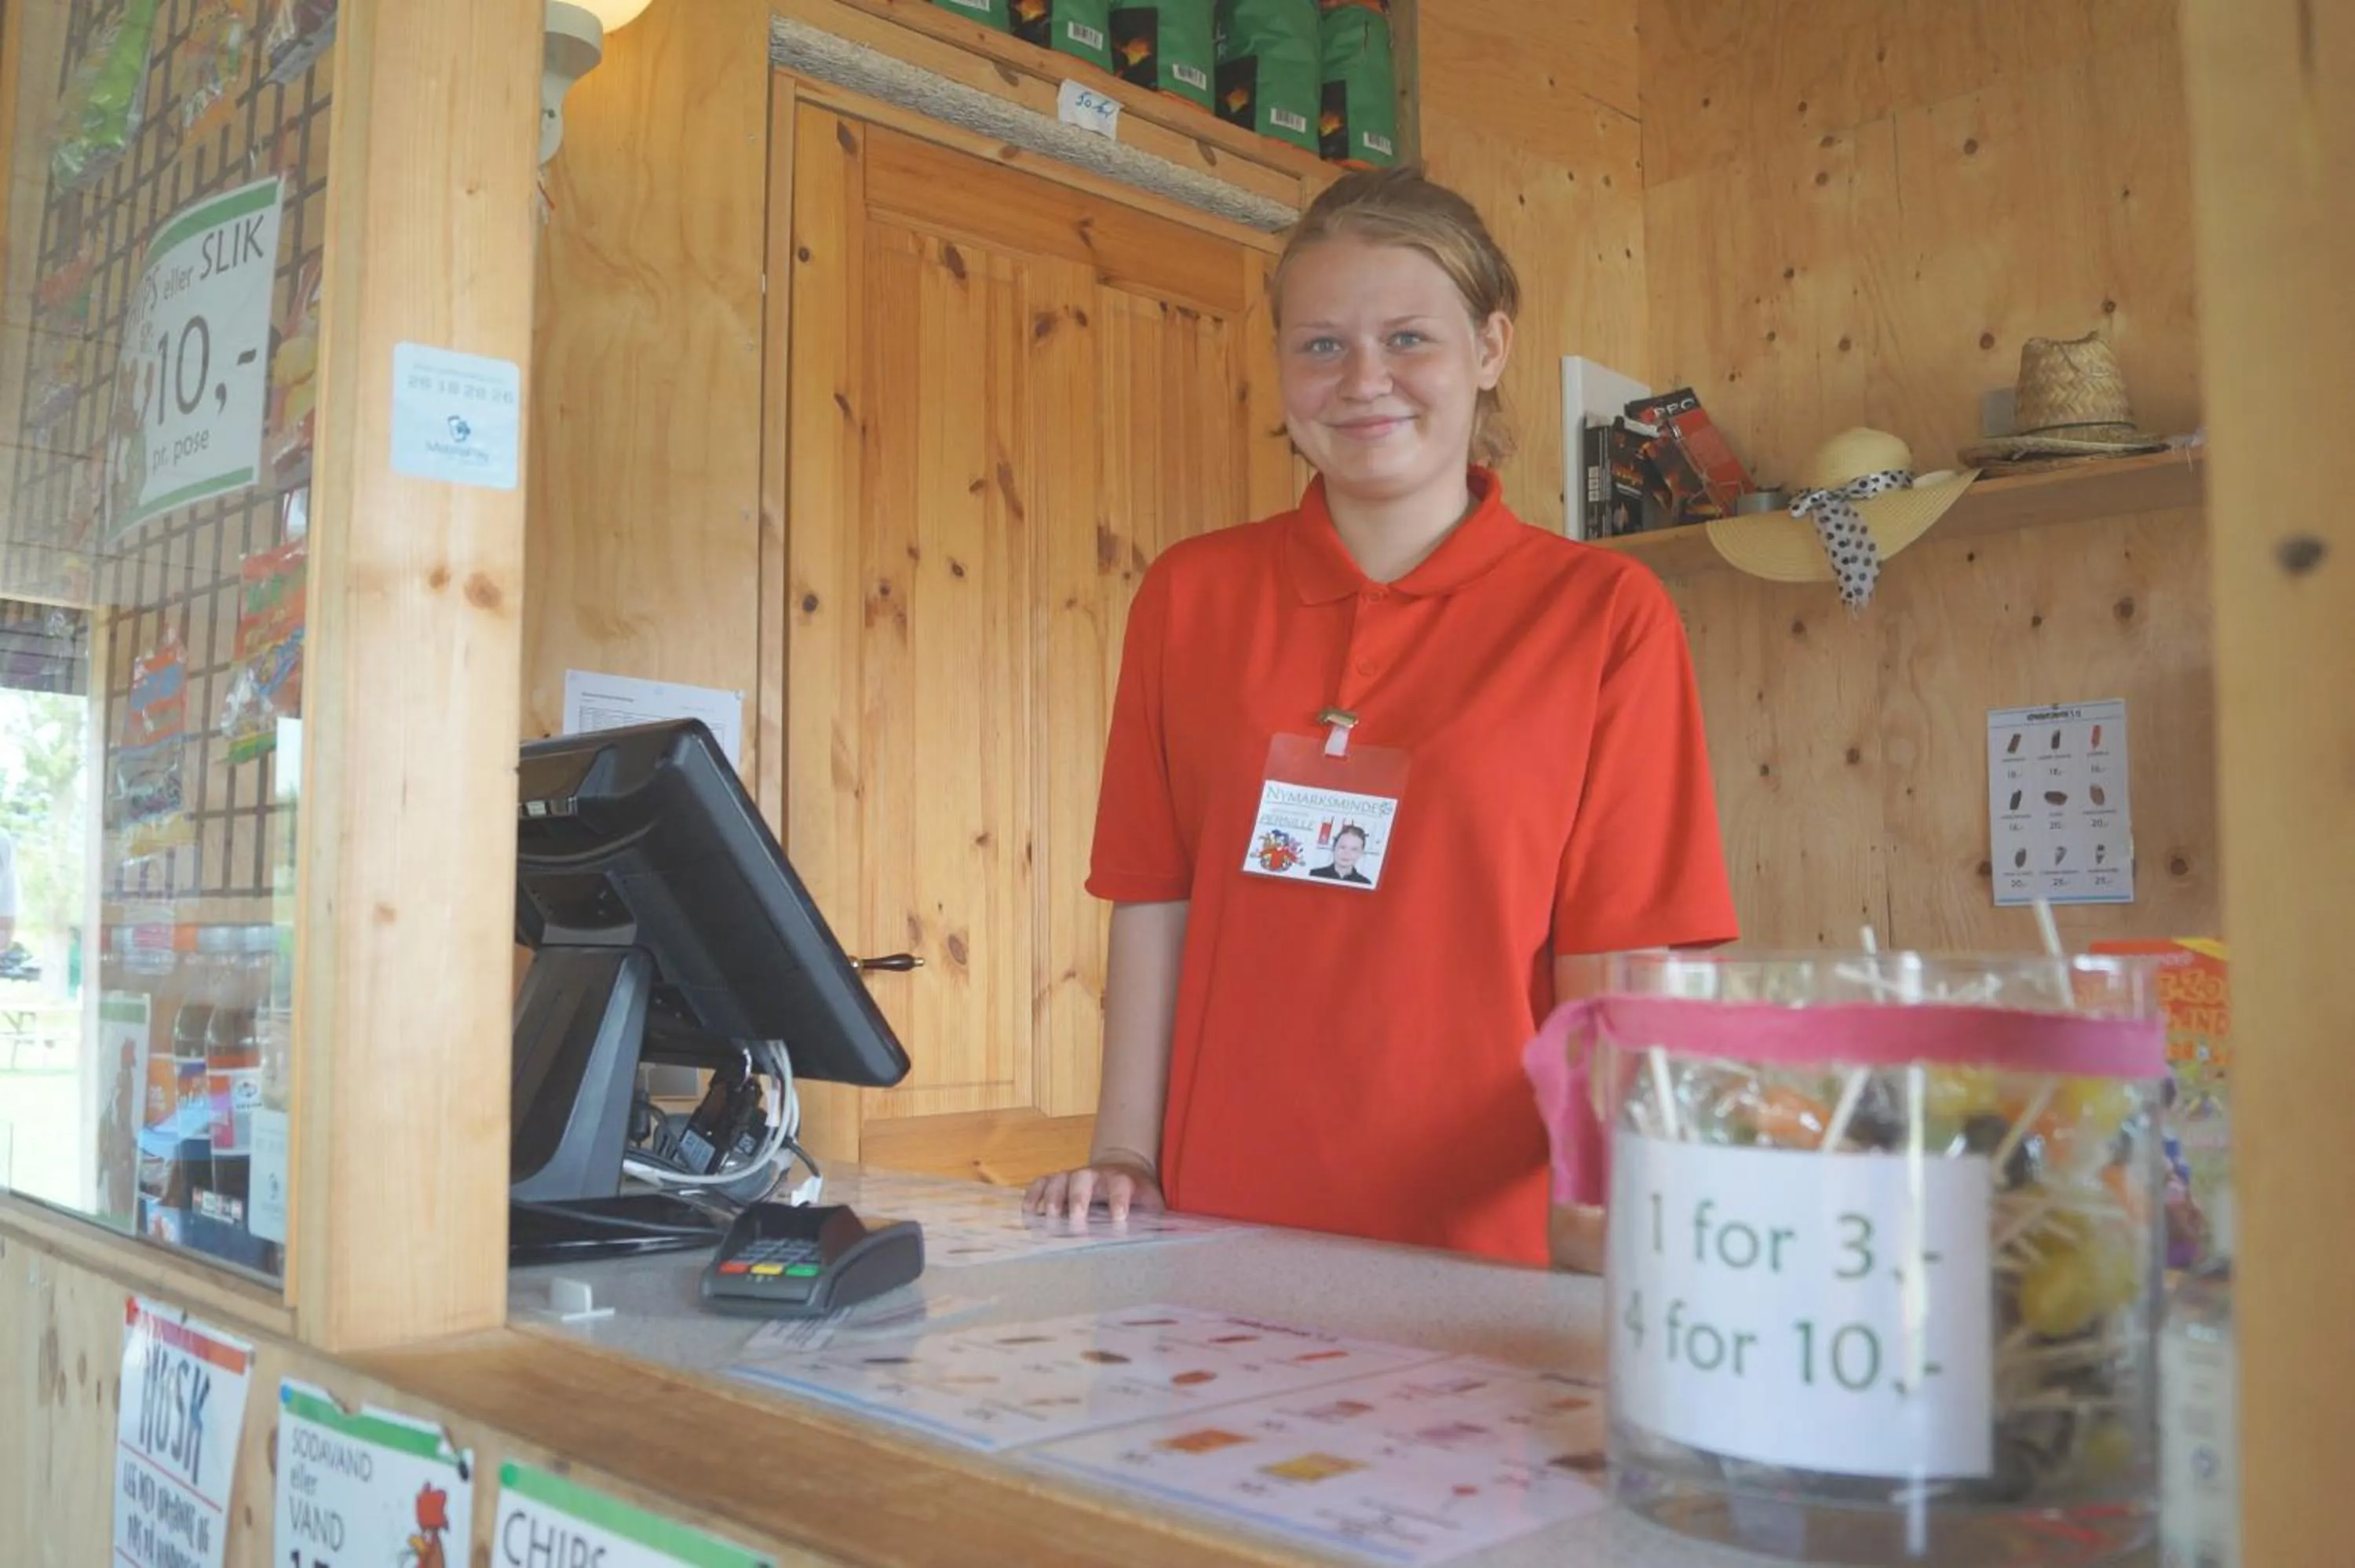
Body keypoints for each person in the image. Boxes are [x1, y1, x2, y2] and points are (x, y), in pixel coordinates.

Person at [1023, 166, 1737, 1270]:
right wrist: (1124, 1149)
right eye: (1320, 346)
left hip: (1488, 1254)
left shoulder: (1602, 615)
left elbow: (1619, 966)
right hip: (1214, 1234)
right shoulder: (1188, 596)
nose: (1364, 381)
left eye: (1409, 338)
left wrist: (1612, 1238)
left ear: (1490, 348)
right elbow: (1151, 897)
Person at [1308, 824, 1372, 884]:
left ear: (1361, 853)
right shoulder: (1313, 875)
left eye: (1354, 849)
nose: (1346, 854)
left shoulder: (1365, 883)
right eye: (1342, 847)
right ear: (1334, 848)